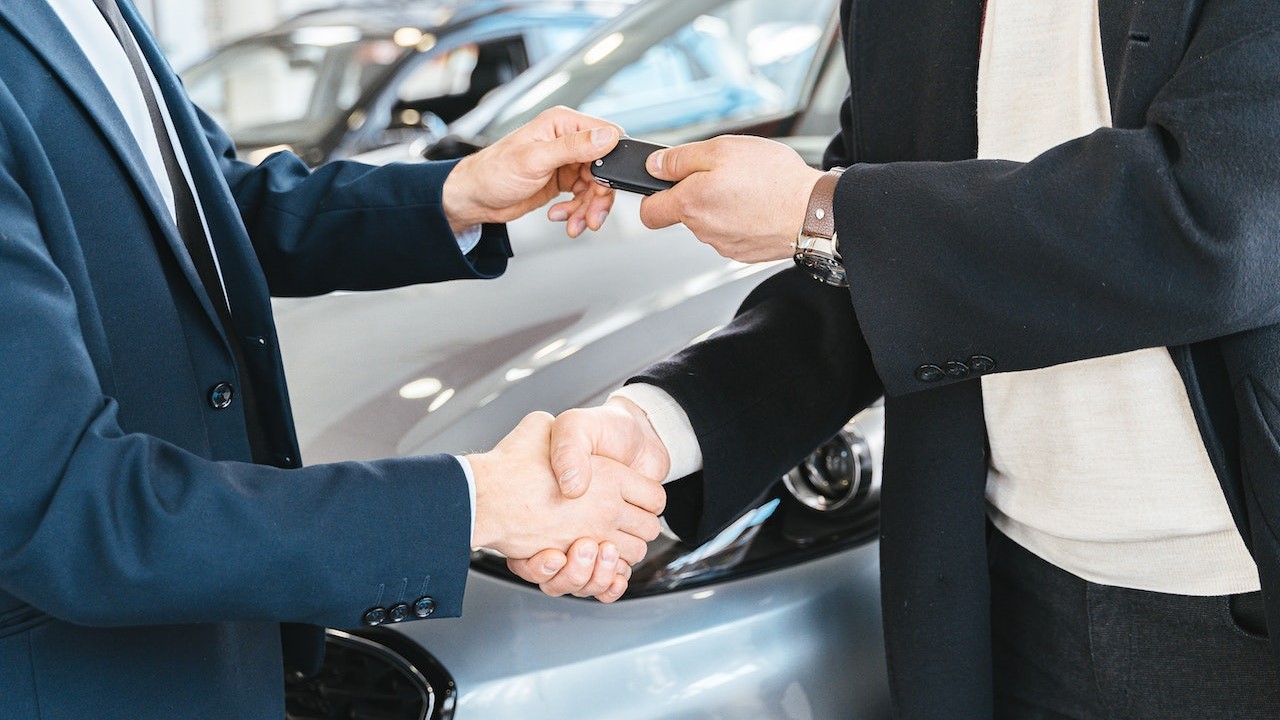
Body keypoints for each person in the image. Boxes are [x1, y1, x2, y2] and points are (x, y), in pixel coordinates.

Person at [512, 0, 1280, 718]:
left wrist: (823, 210)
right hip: (1002, 593)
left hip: (1241, 601)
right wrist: (659, 427)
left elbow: (1224, 221)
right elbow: (874, 274)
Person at [0, 1, 663, 718]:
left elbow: (208, 204)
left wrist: (457, 192)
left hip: (214, 643)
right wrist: (481, 502)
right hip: (74, 682)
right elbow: (64, 505)